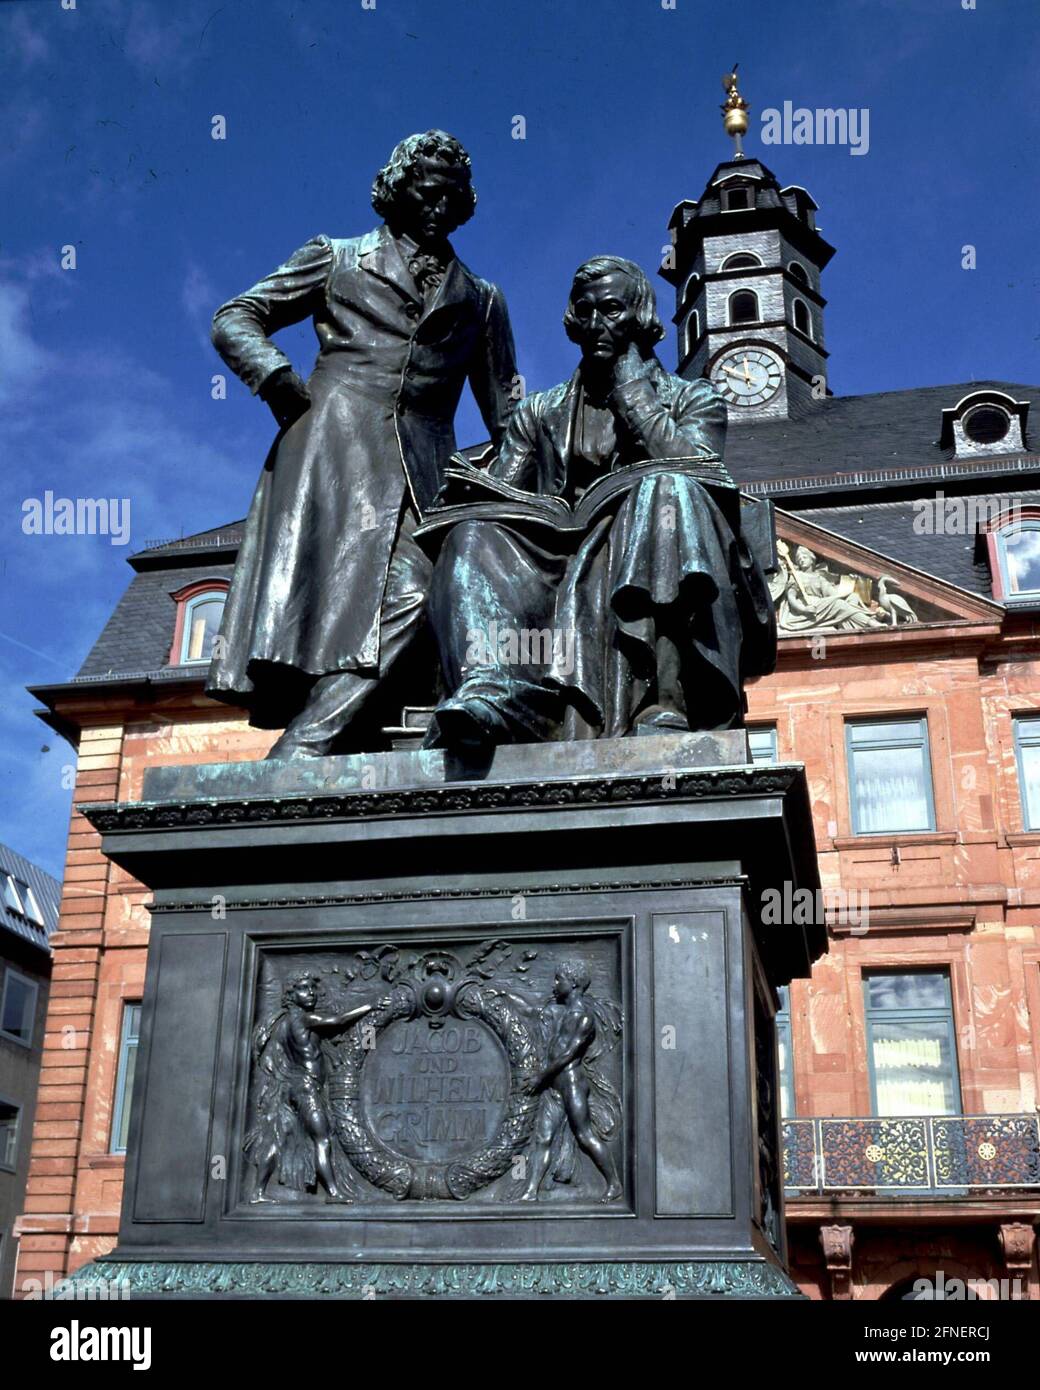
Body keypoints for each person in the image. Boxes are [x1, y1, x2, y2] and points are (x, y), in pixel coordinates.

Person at [207, 131, 518, 757]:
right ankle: (320, 742)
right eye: (427, 193)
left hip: (428, 468)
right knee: (335, 602)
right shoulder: (337, 257)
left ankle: (306, 744)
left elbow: (505, 408)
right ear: (397, 191)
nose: (439, 207)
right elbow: (236, 316)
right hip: (330, 450)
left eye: (451, 197)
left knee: (418, 590)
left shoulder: (482, 300)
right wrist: (273, 376)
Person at [424, 255, 775, 748]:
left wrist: (632, 390)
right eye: (584, 312)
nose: (594, 324)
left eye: (610, 310)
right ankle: (495, 694)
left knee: (668, 490)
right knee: (472, 532)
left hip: (645, 545)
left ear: (639, 317)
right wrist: (472, 494)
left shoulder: (696, 399)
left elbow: (696, 469)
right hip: (556, 559)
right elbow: (504, 496)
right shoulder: (540, 410)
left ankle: (666, 695)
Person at [244, 973, 372, 1202]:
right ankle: (333, 1193)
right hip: (306, 1088)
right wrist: (369, 1006)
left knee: (276, 1138)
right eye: (304, 989)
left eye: (313, 988)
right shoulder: (301, 1019)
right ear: (291, 995)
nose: (310, 993)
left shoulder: (282, 1022)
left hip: (293, 1087)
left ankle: (258, 1192)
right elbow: (338, 1021)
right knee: (322, 1138)